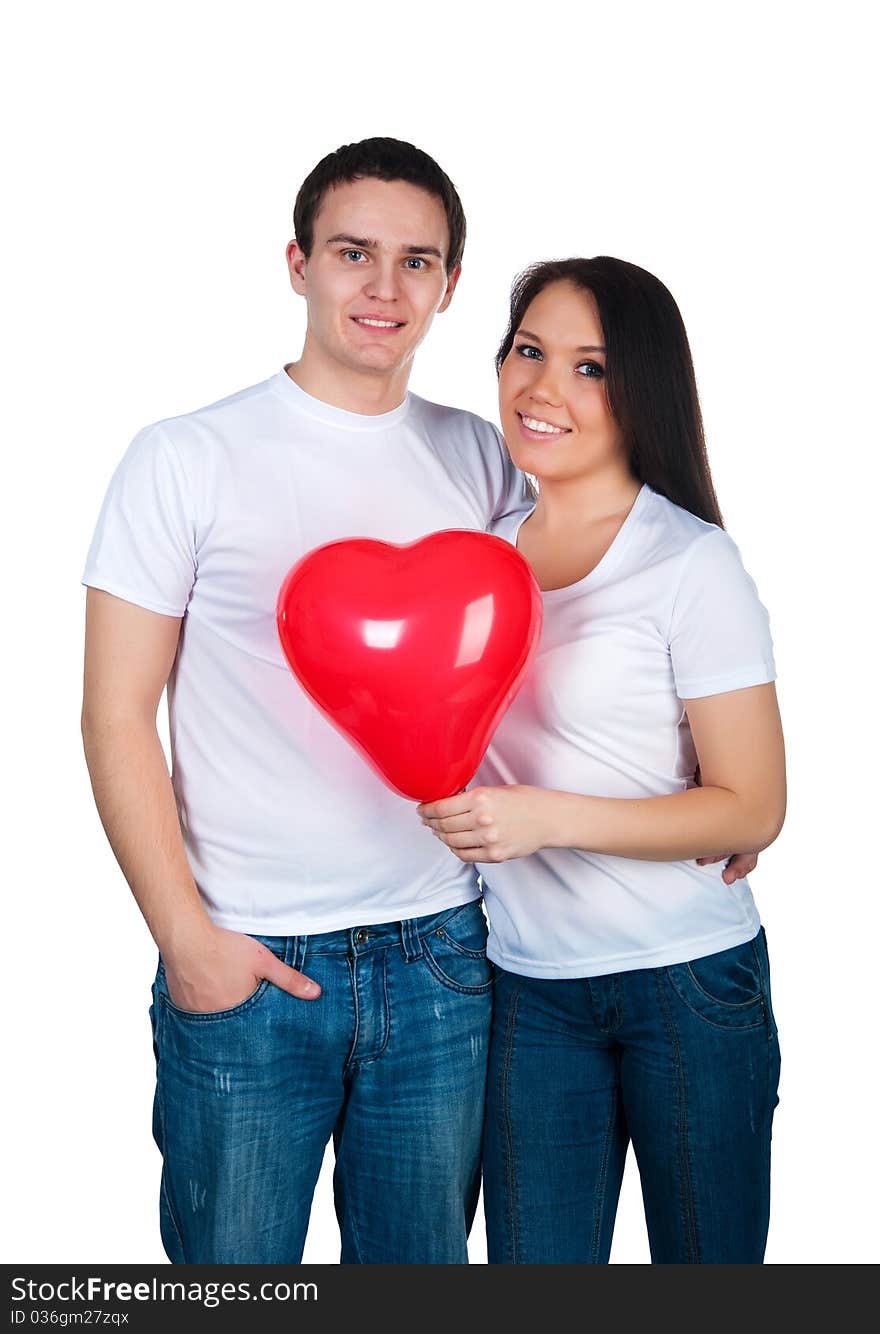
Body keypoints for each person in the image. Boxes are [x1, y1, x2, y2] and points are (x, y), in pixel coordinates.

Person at [79, 137, 534, 1264]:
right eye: (352, 252)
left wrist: (697, 784)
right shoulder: (185, 456)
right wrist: (186, 937)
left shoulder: (480, 456)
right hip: (251, 955)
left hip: (440, 954)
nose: (383, 289)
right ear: (297, 263)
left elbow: (558, 643)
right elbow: (113, 711)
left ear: (448, 287)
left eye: (416, 261)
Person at [419, 257, 785, 1264]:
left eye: (589, 366)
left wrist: (548, 816)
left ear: (641, 390)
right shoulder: (478, 555)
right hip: (528, 988)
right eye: (529, 351)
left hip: (686, 986)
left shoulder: (687, 562)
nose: (544, 387)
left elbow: (751, 806)